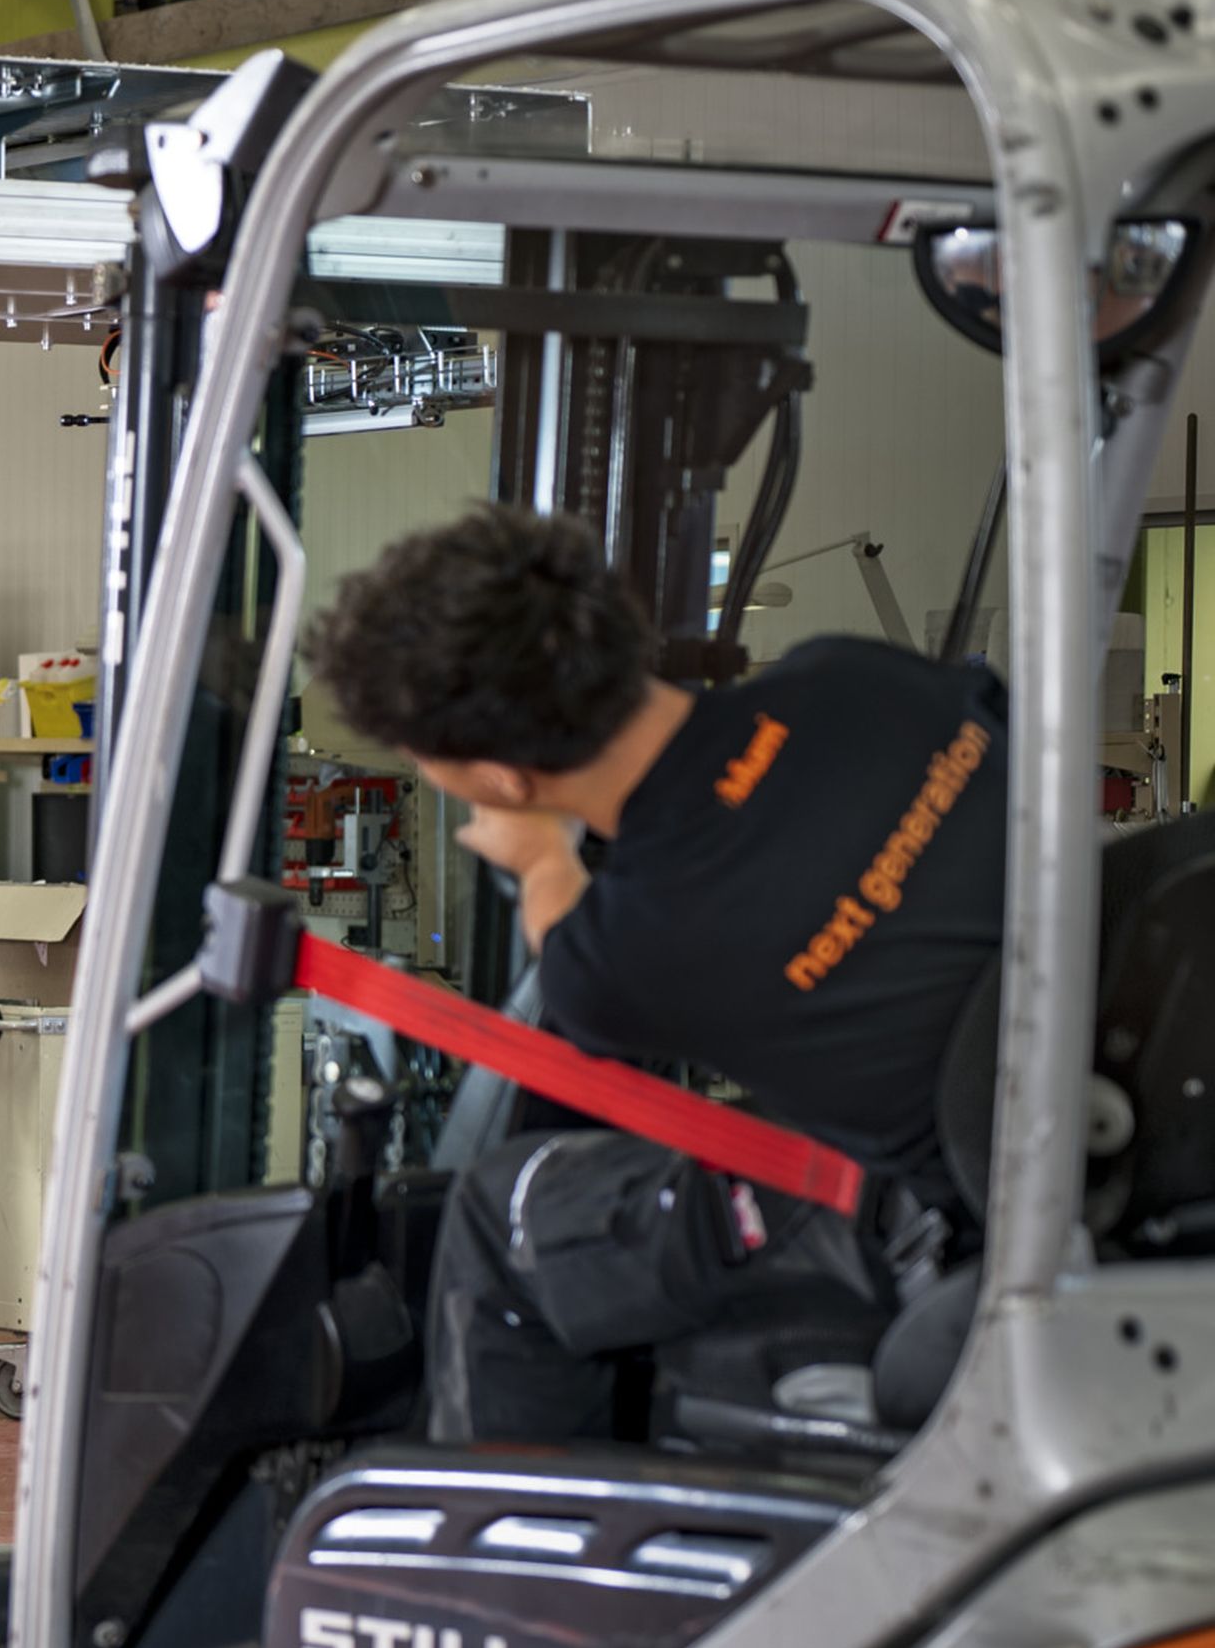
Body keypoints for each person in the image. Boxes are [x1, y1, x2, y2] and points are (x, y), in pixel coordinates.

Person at [303, 507, 1004, 1444]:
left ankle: (513, 1563)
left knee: (500, 1209)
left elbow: (576, 958)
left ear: (503, 780)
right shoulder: (851, 675)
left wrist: (544, 859)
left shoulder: (628, 952)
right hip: (1086, 1097)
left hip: (944, 1216)